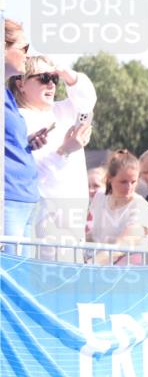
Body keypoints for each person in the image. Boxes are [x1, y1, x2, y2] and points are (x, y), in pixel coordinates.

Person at [9, 55, 94, 260]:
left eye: (54, 79)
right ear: (21, 84)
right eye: (43, 78)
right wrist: (64, 151)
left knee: (70, 282)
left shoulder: (62, 110)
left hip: (74, 211)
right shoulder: (17, 119)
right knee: (47, 281)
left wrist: (67, 74)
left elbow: (88, 100)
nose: (51, 84)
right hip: (45, 213)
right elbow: (31, 173)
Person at [4, 19, 41, 249]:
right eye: (24, 48)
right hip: (7, 199)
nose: (28, 55)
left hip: (25, 198)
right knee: (6, 278)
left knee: (20, 277)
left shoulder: (6, 95)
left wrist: (26, 142)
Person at [86, 150, 148, 265]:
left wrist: (89, 265)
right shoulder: (99, 198)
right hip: (99, 272)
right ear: (109, 178)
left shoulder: (141, 207)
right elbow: (90, 236)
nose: (129, 187)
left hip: (130, 275)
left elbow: (123, 245)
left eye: (133, 182)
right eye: (123, 182)